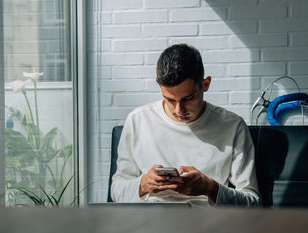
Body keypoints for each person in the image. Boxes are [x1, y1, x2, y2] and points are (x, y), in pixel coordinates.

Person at [111, 44, 260, 207]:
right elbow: (117, 192)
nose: (178, 109)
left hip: (206, 227)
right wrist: (144, 184)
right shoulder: (137, 121)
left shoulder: (232, 127)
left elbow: (252, 202)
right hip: (150, 224)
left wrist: (210, 188)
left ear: (205, 84)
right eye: (170, 99)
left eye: (188, 98)